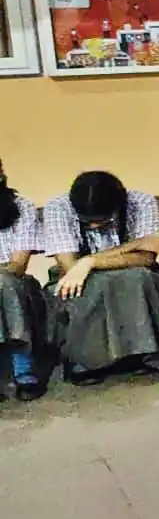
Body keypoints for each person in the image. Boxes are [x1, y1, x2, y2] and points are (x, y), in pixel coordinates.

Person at [44, 171, 159, 384]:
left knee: (139, 279)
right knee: (92, 286)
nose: (95, 227)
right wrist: (134, 244)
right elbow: (70, 268)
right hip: (80, 280)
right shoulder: (57, 208)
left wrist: (89, 262)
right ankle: (88, 360)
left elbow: (146, 258)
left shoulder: (142, 202)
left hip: (128, 273)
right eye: (88, 222)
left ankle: (143, 353)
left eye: (102, 221)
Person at [0, 158, 48, 401]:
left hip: (15, 284)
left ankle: (23, 369)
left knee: (5, 284)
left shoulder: (21, 207)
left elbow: (17, 266)